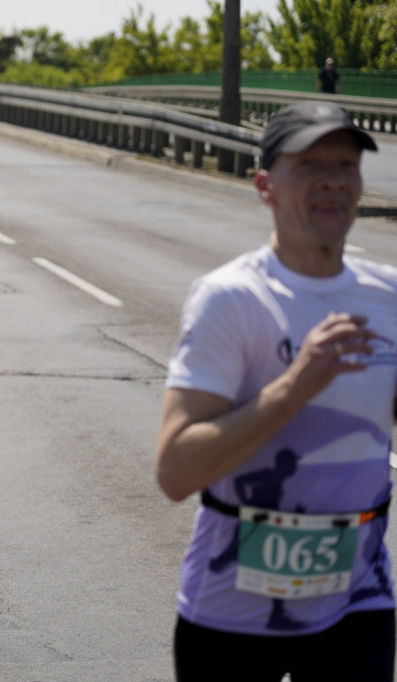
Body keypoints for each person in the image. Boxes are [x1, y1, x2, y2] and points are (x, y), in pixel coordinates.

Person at [155, 101, 393, 681]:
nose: (333, 179)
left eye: (346, 164)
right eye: (309, 165)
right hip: (231, 610)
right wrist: (294, 386)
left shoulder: (389, 298)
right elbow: (176, 470)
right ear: (265, 186)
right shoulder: (231, 299)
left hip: (358, 598)